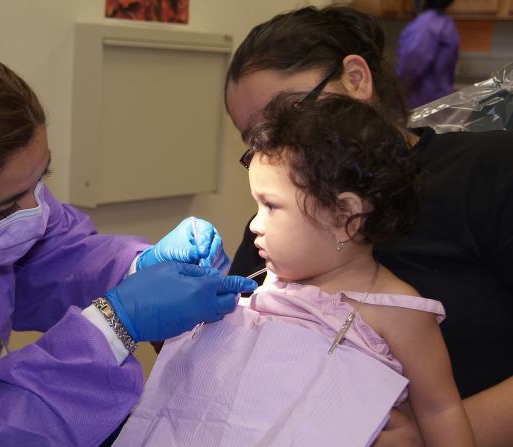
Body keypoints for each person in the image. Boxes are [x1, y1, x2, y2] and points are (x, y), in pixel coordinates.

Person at [0, 43, 257, 446]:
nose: (35, 212)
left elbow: (45, 253)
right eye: (7, 207)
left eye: (41, 178)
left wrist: (134, 266)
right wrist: (113, 325)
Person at [115, 93, 475, 447]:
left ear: (344, 215)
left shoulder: (399, 312)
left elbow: (440, 411)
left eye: (270, 206)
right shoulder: (269, 286)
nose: (254, 224)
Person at [225, 6, 513, 447]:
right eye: (255, 139)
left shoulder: (490, 174)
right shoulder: (276, 226)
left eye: (287, 113)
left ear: (356, 79)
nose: (276, 145)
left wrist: (420, 437)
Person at [397, 0, 459, 108]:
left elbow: (411, 66)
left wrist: (396, 94)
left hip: (422, 104)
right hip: (441, 102)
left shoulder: (425, 25)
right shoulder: (446, 22)